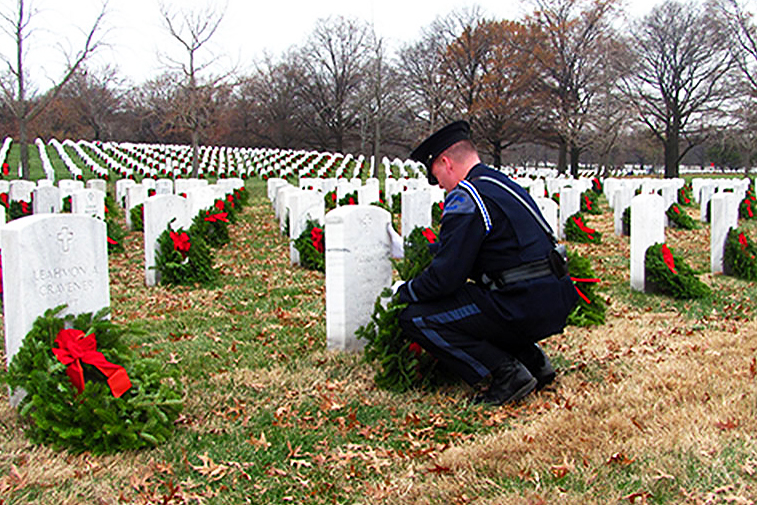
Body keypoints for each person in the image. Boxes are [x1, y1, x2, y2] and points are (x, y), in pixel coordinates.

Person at [394, 120, 578, 405]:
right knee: (477, 302)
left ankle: (507, 374)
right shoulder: (499, 184)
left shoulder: (466, 196)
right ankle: (532, 360)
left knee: (415, 317)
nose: (439, 184)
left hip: (523, 304)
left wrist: (403, 291)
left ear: (446, 162)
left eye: (436, 175)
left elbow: (446, 278)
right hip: (556, 295)